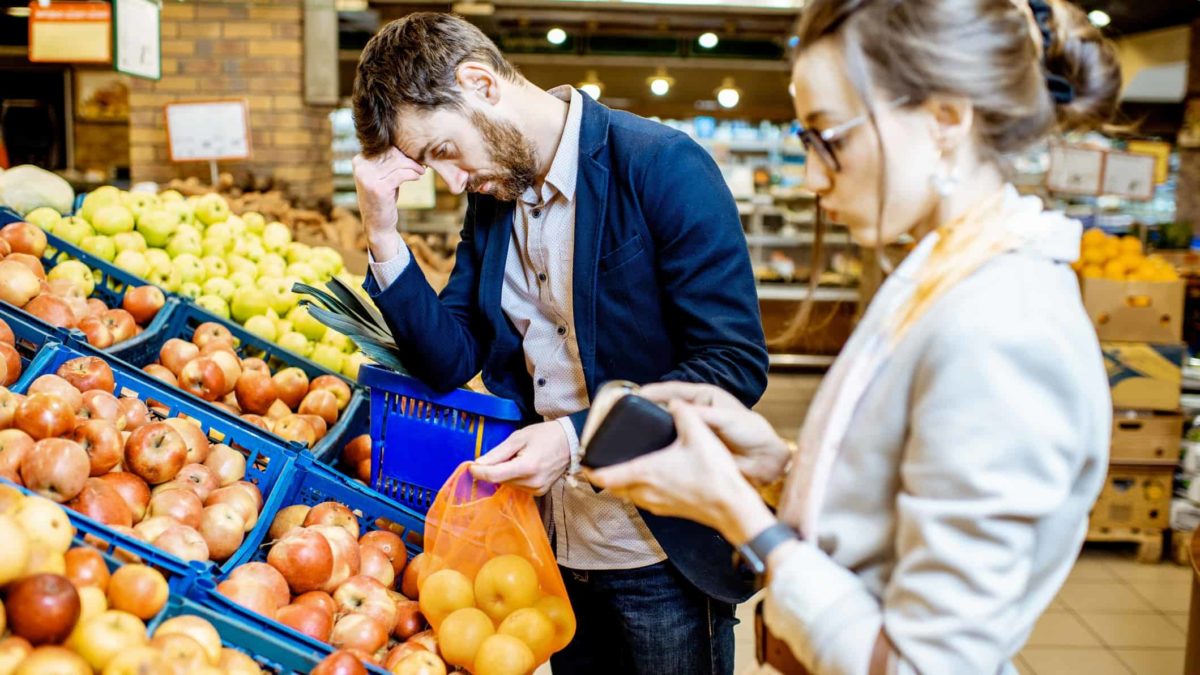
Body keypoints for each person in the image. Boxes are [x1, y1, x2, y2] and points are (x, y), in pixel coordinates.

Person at [588, 0, 1120, 673]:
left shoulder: (1002, 324)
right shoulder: (944, 272)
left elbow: (926, 664)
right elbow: (900, 501)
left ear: (946, 118)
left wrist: (736, 512)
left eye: (827, 135)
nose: (811, 177)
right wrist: (779, 468)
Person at [350, 12, 769, 674]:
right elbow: (451, 358)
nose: (452, 180)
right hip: (548, 553)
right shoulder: (493, 200)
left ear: (481, 83)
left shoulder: (661, 166)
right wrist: (382, 232)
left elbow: (732, 364)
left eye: (443, 152)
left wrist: (574, 438)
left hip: (657, 545)